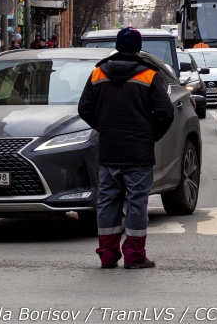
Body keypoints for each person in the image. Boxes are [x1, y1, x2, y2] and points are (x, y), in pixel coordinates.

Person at [78, 27, 174, 269]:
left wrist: (103, 128)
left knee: (108, 202)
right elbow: (165, 113)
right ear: (138, 49)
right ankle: (134, 255)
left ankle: (108, 255)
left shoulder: (98, 73)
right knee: (137, 202)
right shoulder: (149, 75)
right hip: (138, 152)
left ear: (117, 47)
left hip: (109, 150)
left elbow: (84, 109)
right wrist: (149, 136)